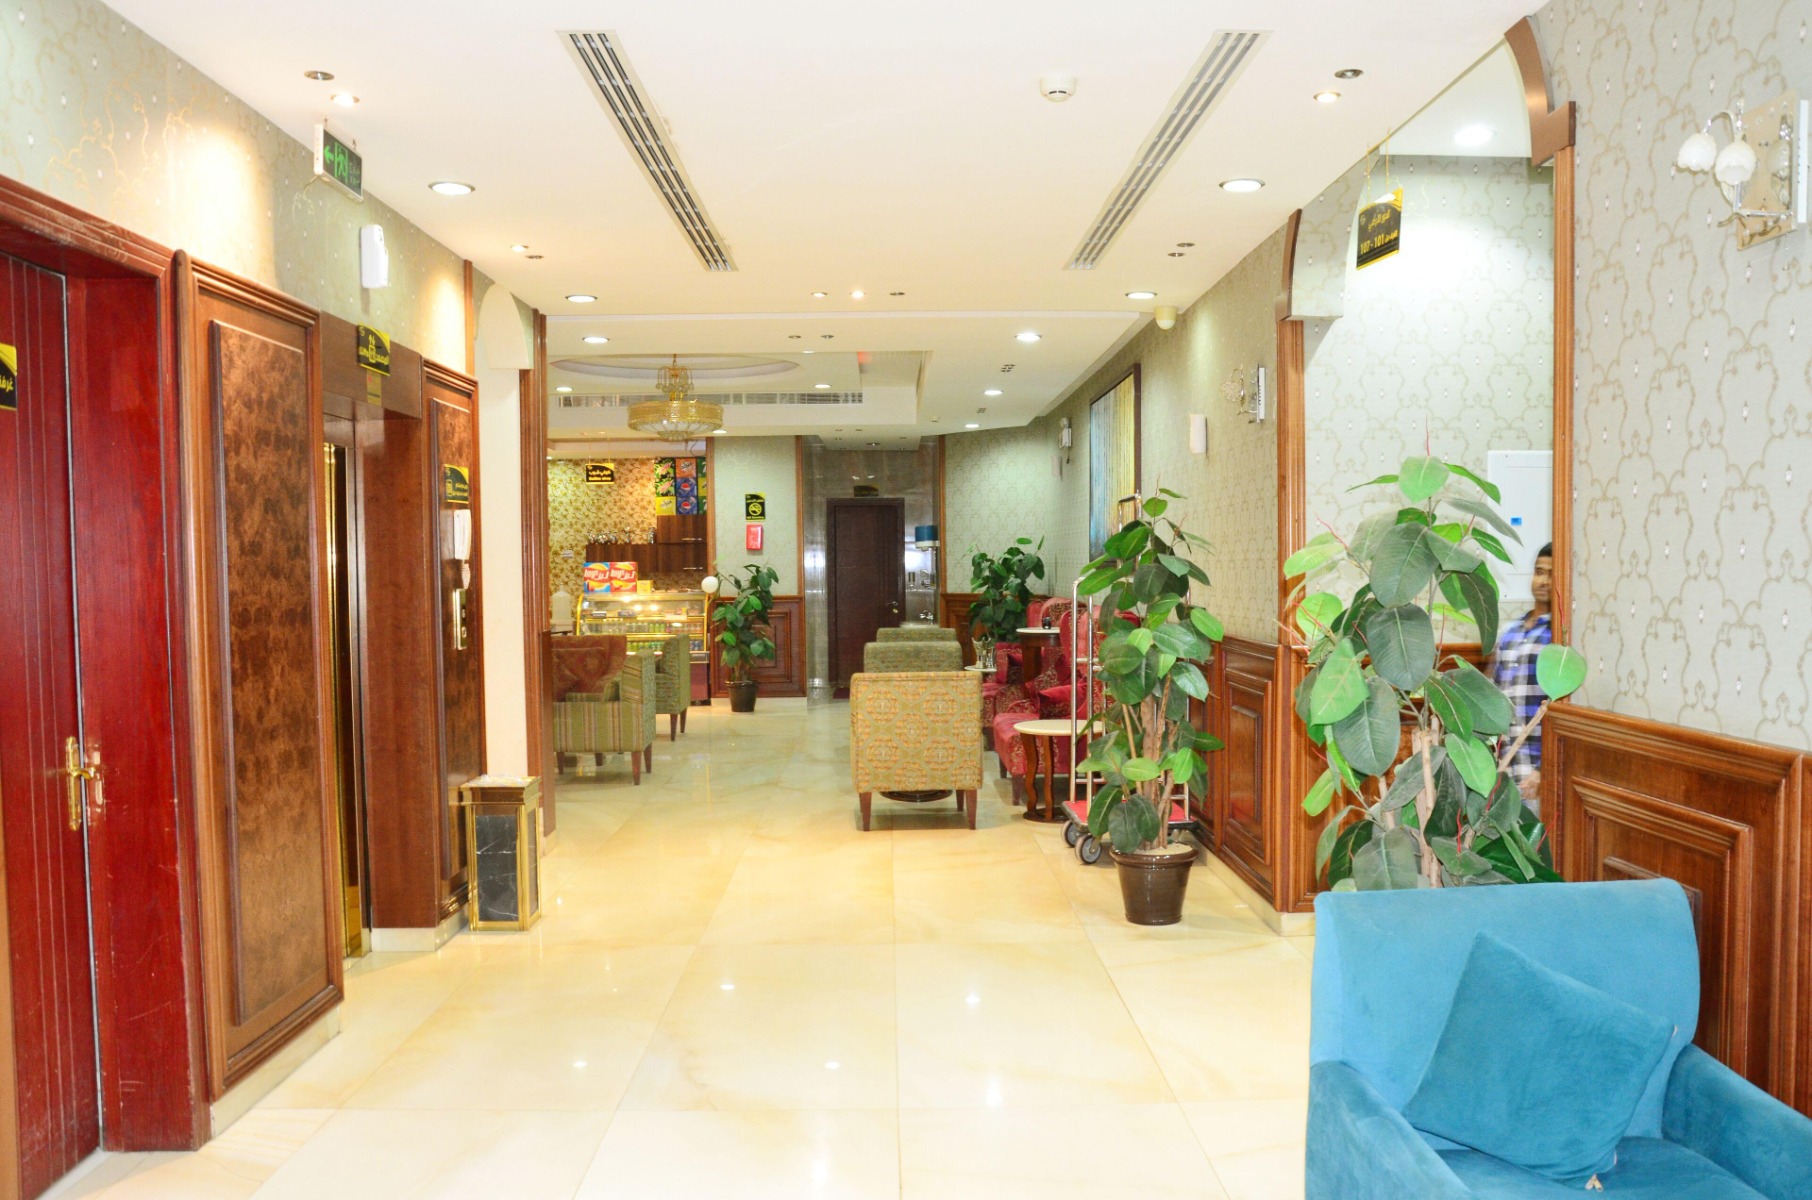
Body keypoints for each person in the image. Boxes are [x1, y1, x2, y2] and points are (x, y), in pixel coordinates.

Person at [1491, 544, 1552, 808]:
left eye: (1552, 574)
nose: (1543, 581)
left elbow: (1560, 708)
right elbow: (1492, 695)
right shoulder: (1510, 631)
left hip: (1537, 772)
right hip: (1504, 766)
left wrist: (1544, 768)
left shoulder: (1559, 635)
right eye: (1539, 571)